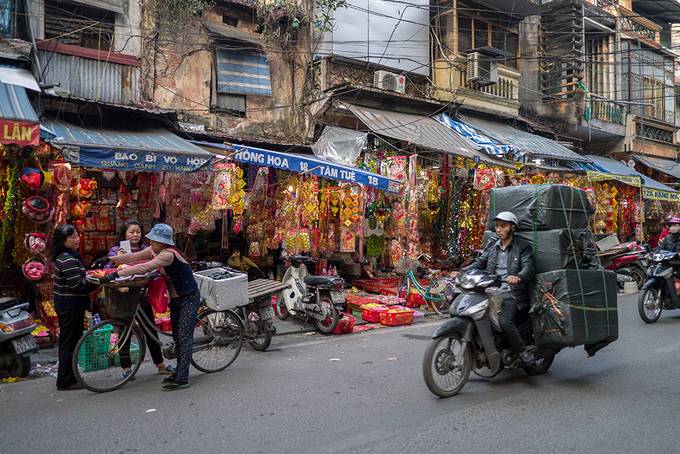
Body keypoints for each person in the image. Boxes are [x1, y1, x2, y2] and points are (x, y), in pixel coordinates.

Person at [101, 224, 199, 391]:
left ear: (162, 242)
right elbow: (134, 257)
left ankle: (183, 377)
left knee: (183, 337)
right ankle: (178, 371)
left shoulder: (168, 255)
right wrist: (112, 260)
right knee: (177, 336)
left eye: (154, 240)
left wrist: (117, 274)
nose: (151, 242)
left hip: (188, 298)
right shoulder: (155, 250)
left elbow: (143, 267)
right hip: (176, 299)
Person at [465, 212, 535, 364]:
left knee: (504, 322)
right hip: (491, 291)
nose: (499, 229)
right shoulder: (493, 247)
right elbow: (479, 263)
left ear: (513, 227)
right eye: (497, 226)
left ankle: (522, 352)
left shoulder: (522, 247)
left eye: (503, 226)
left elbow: (528, 267)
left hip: (512, 293)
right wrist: (461, 271)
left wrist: (518, 277)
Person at [108, 220, 174, 378]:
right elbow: (108, 268)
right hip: (123, 298)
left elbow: (154, 269)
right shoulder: (116, 250)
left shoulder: (148, 249)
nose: (135, 235)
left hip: (143, 296)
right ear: (124, 234)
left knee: (150, 330)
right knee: (125, 331)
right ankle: (126, 369)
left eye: (138, 231)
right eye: (131, 232)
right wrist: (117, 260)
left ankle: (160, 364)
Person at [52, 224, 97, 390]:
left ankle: (67, 377)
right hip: (70, 307)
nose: (77, 239)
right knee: (69, 343)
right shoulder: (68, 259)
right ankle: (66, 380)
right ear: (63, 240)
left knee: (68, 342)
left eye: (77, 236)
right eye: (72, 237)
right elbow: (77, 285)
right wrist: (96, 281)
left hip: (67, 305)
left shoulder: (65, 257)